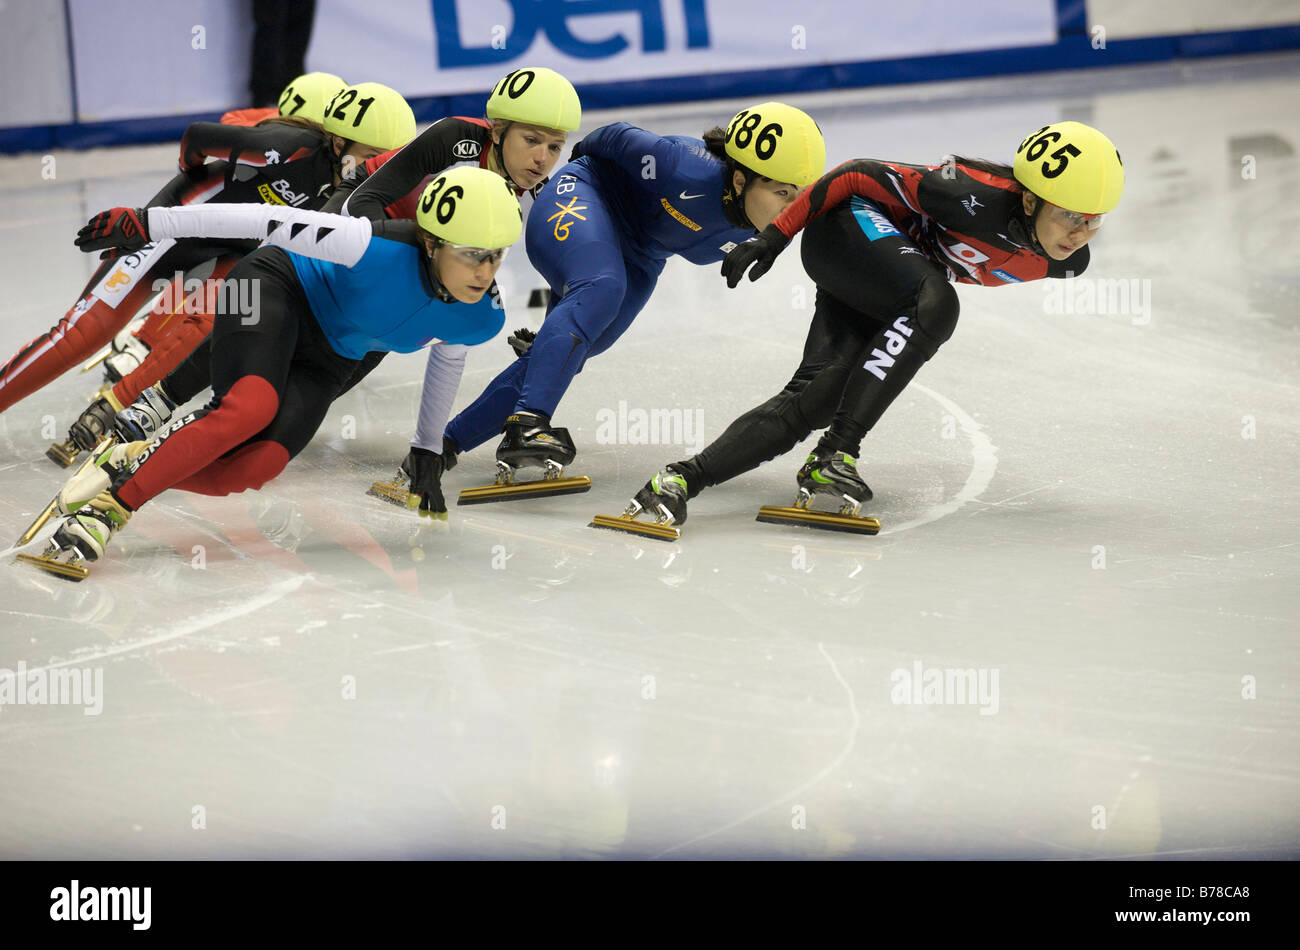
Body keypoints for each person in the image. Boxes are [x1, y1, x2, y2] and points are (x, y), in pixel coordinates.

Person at [115, 68, 583, 513]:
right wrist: (408, 255)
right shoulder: (455, 138)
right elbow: (361, 202)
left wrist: (553, 327)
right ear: (498, 131)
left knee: (347, 353)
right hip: (355, 217)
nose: (542, 158)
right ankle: (164, 398)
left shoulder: (537, 190)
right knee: (265, 361)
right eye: (532, 140)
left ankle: (181, 450)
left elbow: (560, 266)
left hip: (421, 256)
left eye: (555, 147)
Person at [618, 121, 1124, 532]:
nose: (1079, 235)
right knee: (936, 303)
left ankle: (680, 480)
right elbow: (856, 173)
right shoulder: (968, 192)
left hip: (890, 276)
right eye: (1069, 216)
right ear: (1030, 200)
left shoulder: (1064, 259)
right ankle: (838, 453)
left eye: (1093, 221)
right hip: (849, 228)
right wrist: (774, 236)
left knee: (818, 397)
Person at [27, 165, 522, 577]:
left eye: (496, 256)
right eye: (473, 254)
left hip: (332, 355)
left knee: (251, 468)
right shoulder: (371, 245)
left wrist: (427, 450)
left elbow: (448, 359)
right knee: (248, 408)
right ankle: (110, 509)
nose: (486, 271)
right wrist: (148, 222)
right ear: (432, 243)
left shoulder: (483, 317)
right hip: (272, 285)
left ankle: (133, 462)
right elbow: (266, 220)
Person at [438, 101, 827, 496]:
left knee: (573, 352)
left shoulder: (766, 227)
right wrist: (566, 186)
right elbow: (609, 137)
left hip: (641, 255)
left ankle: (444, 446)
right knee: (602, 289)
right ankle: (528, 424)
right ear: (741, 181)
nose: (793, 208)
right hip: (585, 197)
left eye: (800, 195)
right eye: (781, 192)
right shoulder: (680, 166)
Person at [0, 79, 409, 450]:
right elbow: (196, 139)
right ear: (338, 143)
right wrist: (165, 208)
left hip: (232, 252)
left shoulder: (358, 199)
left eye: (390, 162)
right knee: (84, 335)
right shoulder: (290, 147)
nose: (379, 170)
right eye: (372, 157)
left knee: (228, 318)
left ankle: (125, 403)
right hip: (177, 225)